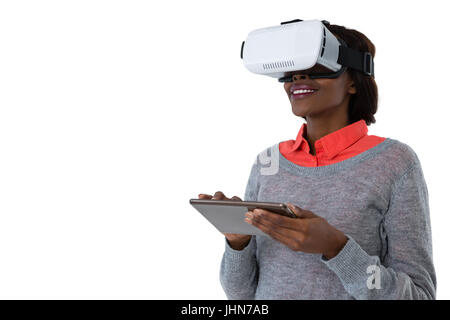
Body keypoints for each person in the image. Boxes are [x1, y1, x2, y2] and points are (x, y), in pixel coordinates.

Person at [199, 23, 436, 299]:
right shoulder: (268, 162)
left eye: (315, 64)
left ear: (352, 81)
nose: (299, 76)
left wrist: (337, 247)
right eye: (293, 69)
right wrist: (237, 243)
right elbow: (241, 295)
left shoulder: (394, 163)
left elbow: (420, 296)